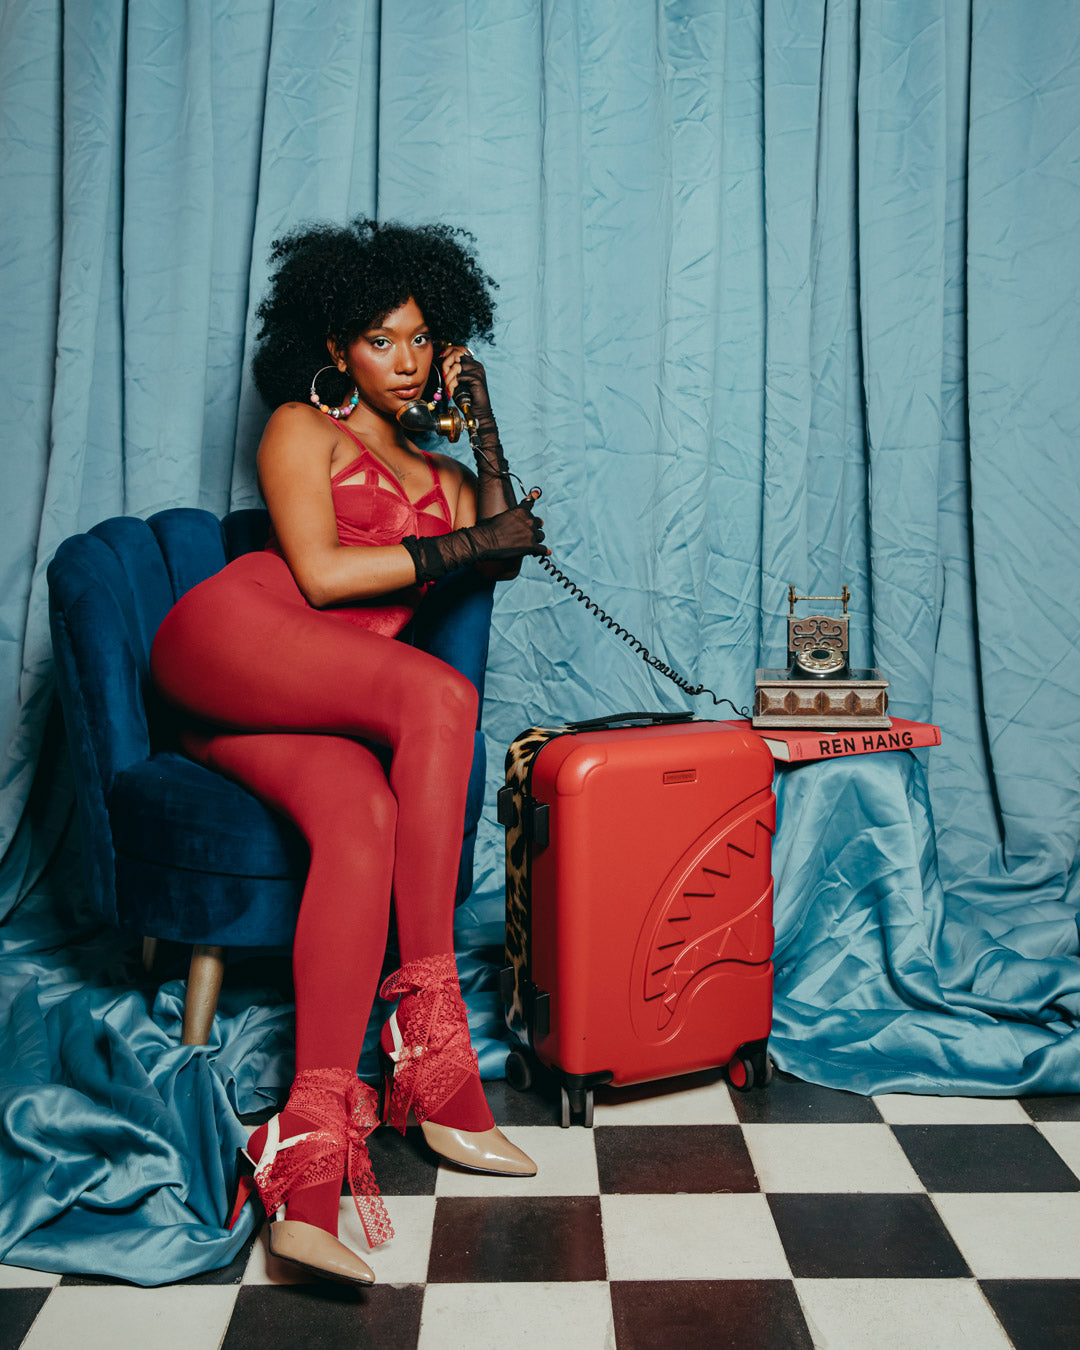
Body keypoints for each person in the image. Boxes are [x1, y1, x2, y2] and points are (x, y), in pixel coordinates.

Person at [150, 218, 547, 1287]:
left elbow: (501, 551)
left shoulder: (448, 477)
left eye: (422, 340)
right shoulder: (301, 429)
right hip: (230, 641)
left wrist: (484, 425)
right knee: (438, 692)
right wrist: (471, 542)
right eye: (381, 340)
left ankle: (305, 1158)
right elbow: (323, 577)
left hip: (291, 712)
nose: (405, 361)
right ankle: (431, 1044)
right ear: (336, 349)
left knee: (364, 816)